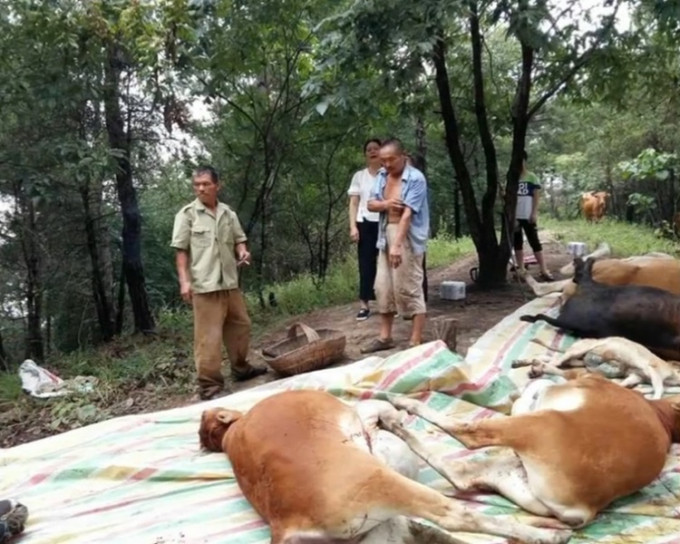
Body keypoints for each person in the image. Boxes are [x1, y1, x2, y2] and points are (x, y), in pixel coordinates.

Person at [171, 165, 266, 401]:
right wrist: (185, 282)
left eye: (205, 184)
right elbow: (181, 251)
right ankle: (210, 386)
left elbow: (239, 240)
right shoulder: (187, 215)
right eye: (197, 185)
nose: (200, 188)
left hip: (229, 283)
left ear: (217, 185)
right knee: (208, 339)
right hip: (205, 286)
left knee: (241, 326)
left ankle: (241, 368)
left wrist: (243, 252)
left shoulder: (228, 213)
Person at [361, 139, 429, 353]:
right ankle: (385, 337)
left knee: (409, 285)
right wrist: (387, 204)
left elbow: (407, 213)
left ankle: (415, 339)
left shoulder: (416, 178)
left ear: (403, 157)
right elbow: (370, 204)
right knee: (383, 287)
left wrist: (397, 246)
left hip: (407, 236)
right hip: (384, 234)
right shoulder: (382, 176)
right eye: (384, 161)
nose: (387, 165)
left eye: (391, 160)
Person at [348, 138, 382, 321]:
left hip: (385, 222)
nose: (372, 152)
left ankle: (390, 302)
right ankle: (364, 304)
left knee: (387, 263)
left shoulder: (387, 173)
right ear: (365, 154)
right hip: (365, 222)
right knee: (366, 264)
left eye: (376, 148)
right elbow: (353, 202)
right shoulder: (359, 176)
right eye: (369, 149)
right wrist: (353, 226)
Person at [514, 151, 553, 280]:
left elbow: (536, 197)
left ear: (525, 161)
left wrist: (534, 213)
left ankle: (544, 270)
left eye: (521, 161)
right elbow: (507, 198)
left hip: (528, 215)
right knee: (517, 243)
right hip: (515, 216)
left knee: (534, 242)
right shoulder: (512, 179)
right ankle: (521, 269)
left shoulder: (532, 177)